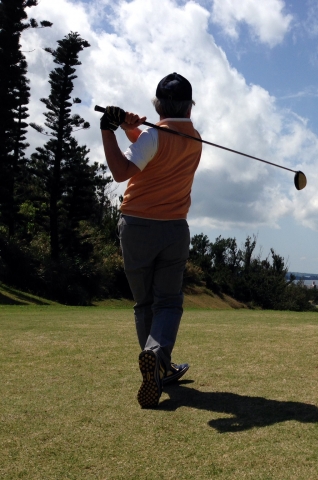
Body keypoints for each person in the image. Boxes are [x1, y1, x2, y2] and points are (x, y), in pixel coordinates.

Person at [100, 73, 202, 408]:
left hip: (137, 229)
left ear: (158, 106)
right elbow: (151, 150)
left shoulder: (153, 136)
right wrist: (129, 128)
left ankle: (156, 363)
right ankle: (157, 359)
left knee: (145, 303)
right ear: (189, 106)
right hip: (174, 230)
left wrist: (108, 130)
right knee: (168, 303)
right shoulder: (195, 139)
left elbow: (122, 171)